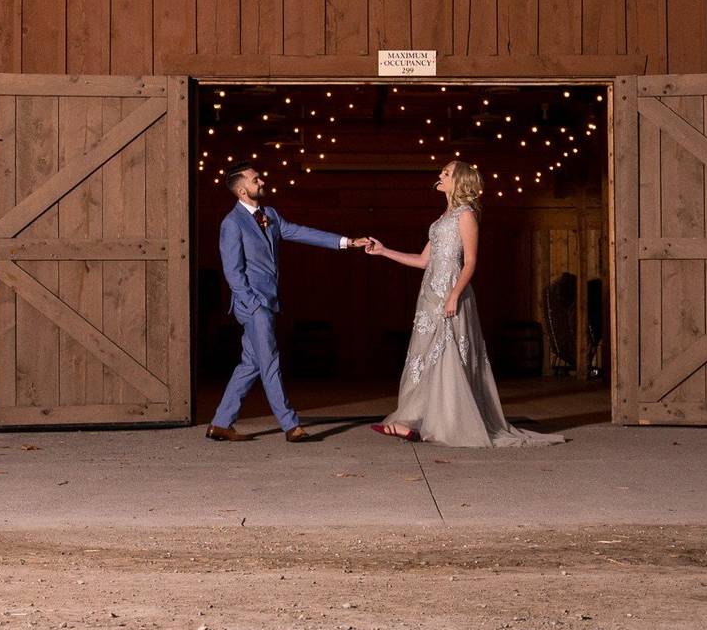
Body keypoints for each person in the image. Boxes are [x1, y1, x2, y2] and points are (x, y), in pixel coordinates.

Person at [365, 160, 566, 448]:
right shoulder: (442, 218)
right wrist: (383, 251)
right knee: (424, 356)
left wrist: (455, 294)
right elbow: (423, 261)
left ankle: (448, 425)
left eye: (446, 173)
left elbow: (470, 262)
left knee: (448, 354)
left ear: (459, 181)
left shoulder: (466, 215)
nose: (440, 175)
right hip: (430, 293)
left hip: (452, 290)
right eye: (442, 172)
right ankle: (417, 422)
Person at [207, 163, 373, 443]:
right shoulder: (231, 223)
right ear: (241, 189)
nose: (262, 181)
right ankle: (290, 425)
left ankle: (221, 423)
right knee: (270, 361)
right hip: (253, 305)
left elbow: (302, 232)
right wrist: (254, 303)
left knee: (251, 364)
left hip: (267, 301)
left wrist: (348, 242)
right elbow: (232, 272)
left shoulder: (269, 215)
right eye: (255, 179)